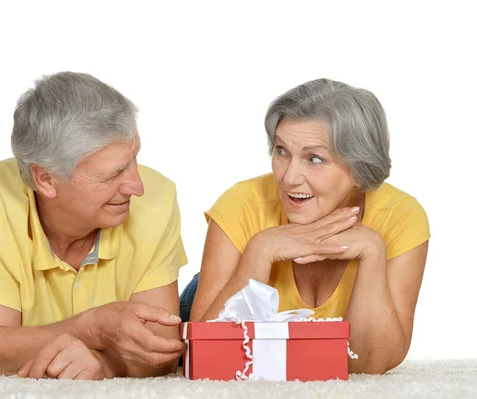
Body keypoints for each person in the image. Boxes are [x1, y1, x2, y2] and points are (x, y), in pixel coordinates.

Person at [0, 71, 188, 380]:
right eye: (114, 173)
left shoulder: (157, 198)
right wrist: (94, 328)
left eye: (135, 158)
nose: (137, 186)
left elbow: (162, 349)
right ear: (46, 179)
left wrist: (105, 366)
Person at [181, 78, 430, 374]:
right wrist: (260, 251)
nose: (288, 179)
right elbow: (205, 353)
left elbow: (369, 365)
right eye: (281, 151)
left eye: (314, 158)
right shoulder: (241, 203)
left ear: (359, 170)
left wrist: (373, 252)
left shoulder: (401, 217)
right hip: (204, 300)